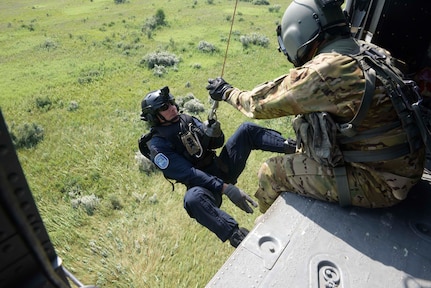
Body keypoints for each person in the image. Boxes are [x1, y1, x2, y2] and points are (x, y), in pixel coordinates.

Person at [206, 0, 426, 213]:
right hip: (406, 167)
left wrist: (227, 92)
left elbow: (258, 105)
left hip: (382, 183)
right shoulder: (371, 51)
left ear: (297, 33)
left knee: (270, 172)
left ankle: (264, 234)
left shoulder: (325, 71)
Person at [138, 86, 295, 247]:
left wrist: (215, 133)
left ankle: (294, 147)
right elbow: (189, 173)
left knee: (246, 130)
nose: (172, 107)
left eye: (171, 102)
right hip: (204, 186)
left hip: (221, 168)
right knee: (192, 200)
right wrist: (226, 188)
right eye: (165, 107)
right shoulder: (157, 146)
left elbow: (216, 144)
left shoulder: (186, 120)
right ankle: (236, 236)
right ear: (154, 116)